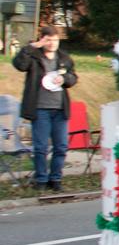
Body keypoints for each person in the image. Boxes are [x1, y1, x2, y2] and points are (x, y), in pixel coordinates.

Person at [12, 26, 77, 191]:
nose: (52, 43)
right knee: (40, 147)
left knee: (61, 146)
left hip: (60, 109)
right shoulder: (34, 56)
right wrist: (32, 46)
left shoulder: (64, 58)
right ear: (42, 39)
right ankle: (41, 180)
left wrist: (64, 79)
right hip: (40, 108)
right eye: (48, 40)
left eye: (55, 40)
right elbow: (19, 64)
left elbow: (73, 77)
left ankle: (55, 179)